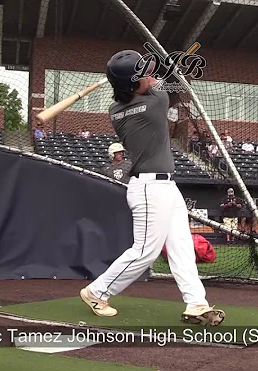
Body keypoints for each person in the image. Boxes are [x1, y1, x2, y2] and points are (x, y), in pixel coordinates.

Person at [79, 49, 224, 326]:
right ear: (132, 84)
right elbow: (173, 85)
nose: (150, 74)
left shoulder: (116, 109)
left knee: (181, 244)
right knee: (145, 251)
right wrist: (173, 66)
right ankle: (96, 292)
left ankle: (196, 303)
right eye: (143, 73)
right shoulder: (155, 101)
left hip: (165, 188)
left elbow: (157, 81)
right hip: (149, 189)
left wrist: (161, 69)